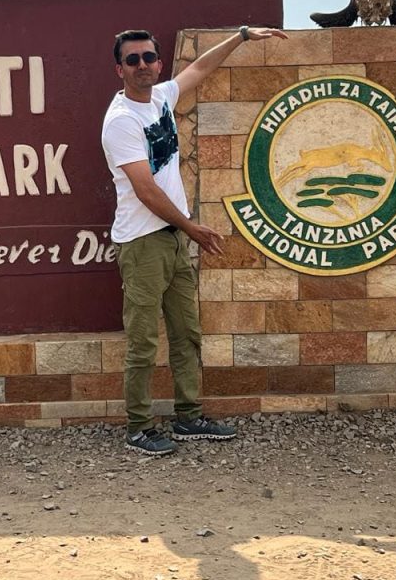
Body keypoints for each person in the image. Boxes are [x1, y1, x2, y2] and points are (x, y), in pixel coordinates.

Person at [102, 25, 288, 455]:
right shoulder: (121, 121)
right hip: (143, 243)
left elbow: (200, 68)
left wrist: (242, 36)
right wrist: (191, 228)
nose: (142, 65)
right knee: (144, 341)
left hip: (171, 238)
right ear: (119, 69)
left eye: (149, 57)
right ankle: (139, 427)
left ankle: (188, 416)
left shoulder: (162, 97)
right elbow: (146, 191)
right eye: (132, 60)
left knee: (186, 333)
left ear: (158, 63)